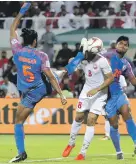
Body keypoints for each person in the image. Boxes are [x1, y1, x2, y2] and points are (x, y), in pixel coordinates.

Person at [9, 3, 67, 163]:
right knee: (52, 73)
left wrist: (21, 12)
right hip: (36, 88)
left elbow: (12, 28)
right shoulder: (41, 55)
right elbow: (49, 75)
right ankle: (63, 71)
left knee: (18, 122)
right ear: (34, 41)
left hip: (35, 90)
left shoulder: (17, 50)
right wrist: (61, 94)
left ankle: (21, 153)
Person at [62, 38, 114, 160]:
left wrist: (97, 89)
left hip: (100, 94)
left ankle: (83, 152)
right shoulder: (83, 58)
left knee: (91, 120)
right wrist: (73, 60)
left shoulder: (102, 61)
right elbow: (71, 67)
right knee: (78, 117)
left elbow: (110, 78)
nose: (88, 54)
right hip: (86, 92)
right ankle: (71, 143)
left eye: (90, 53)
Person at [101, 36, 136, 160]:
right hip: (106, 97)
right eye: (120, 43)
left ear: (127, 48)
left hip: (118, 93)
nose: (123, 46)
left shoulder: (126, 63)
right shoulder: (106, 56)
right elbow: (93, 61)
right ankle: (118, 151)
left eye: (125, 44)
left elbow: (132, 80)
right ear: (116, 45)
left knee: (127, 112)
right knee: (114, 124)